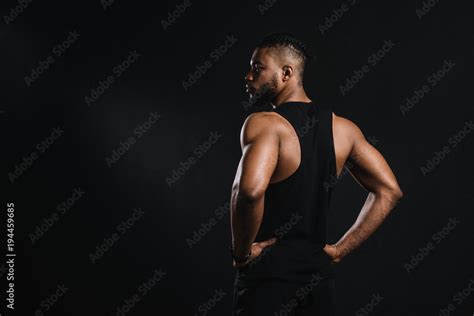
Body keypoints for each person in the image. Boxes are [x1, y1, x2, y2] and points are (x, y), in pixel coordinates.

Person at [229, 32, 403, 315]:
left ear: (287, 73)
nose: (248, 76)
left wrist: (242, 254)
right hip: (317, 280)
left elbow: (248, 191)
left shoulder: (264, 124)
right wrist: (339, 250)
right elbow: (389, 190)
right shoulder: (343, 129)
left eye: (257, 67)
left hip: (268, 277)